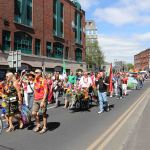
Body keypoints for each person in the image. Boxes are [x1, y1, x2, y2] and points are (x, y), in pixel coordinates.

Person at [32, 69, 48, 134]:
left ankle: (44, 127)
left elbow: (46, 91)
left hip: (42, 99)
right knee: (33, 113)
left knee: (43, 114)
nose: (35, 74)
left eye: (36, 73)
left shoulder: (43, 81)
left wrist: (43, 101)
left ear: (40, 73)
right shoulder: (35, 80)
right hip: (36, 99)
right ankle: (38, 124)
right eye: (35, 72)